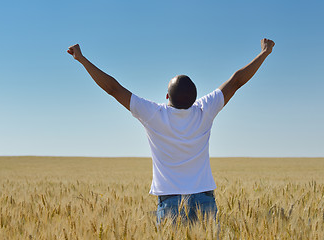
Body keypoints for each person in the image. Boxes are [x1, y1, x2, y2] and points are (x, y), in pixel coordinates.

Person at [67, 38, 275, 223]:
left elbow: (113, 89)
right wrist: (264, 53)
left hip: (170, 201)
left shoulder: (153, 114)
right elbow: (236, 81)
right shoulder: (205, 109)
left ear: (167, 97)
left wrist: (82, 59)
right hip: (204, 197)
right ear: (195, 97)